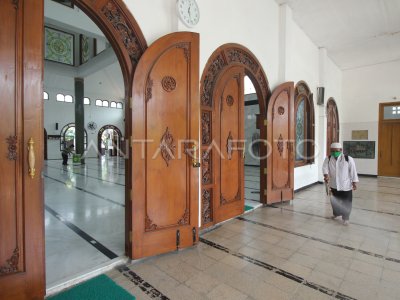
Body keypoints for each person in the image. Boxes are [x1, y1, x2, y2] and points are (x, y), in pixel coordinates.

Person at [322, 142, 359, 225]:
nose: (334, 152)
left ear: (341, 150)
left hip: (345, 186)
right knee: (334, 202)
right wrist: (326, 175)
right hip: (334, 185)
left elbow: (353, 171)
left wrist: (354, 182)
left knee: (346, 202)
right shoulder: (328, 158)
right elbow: (324, 168)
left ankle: (346, 218)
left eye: (336, 151)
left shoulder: (348, 159)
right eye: (332, 151)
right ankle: (336, 214)